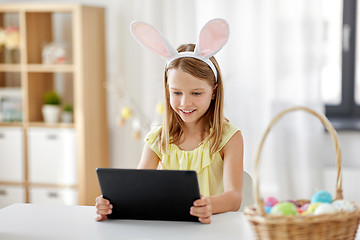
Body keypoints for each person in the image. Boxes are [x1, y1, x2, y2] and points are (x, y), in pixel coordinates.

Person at [95, 19, 244, 224]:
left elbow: (234, 198)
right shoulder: (158, 138)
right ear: (167, 91)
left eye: (196, 92)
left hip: (214, 231)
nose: (185, 102)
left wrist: (209, 205)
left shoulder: (230, 138)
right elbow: (136, 190)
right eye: (176, 92)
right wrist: (111, 204)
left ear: (213, 92)